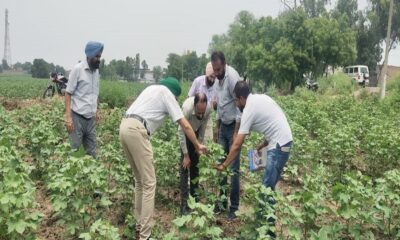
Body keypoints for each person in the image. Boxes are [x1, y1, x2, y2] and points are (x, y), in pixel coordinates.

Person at [119, 77, 207, 240]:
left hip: (124, 126)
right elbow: (185, 124)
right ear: (174, 95)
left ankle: (139, 229)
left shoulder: (151, 89)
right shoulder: (167, 94)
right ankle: (145, 235)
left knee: (140, 182)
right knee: (150, 183)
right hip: (137, 130)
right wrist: (197, 145)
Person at [216, 81, 293, 237]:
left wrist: (224, 165)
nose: (236, 104)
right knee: (267, 187)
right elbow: (274, 120)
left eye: (236, 101)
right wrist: (264, 144)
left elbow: (237, 145)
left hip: (279, 146)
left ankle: (267, 233)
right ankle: (263, 227)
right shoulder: (260, 98)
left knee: (266, 190)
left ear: (241, 98)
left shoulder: (249, 109)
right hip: (282, 142)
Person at [211, 51, 242, 220]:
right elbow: (220, 103)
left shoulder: (232, 77)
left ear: (224, 64)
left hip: (234, 128)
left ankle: (234, 208)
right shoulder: (218, 79)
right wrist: (217, 128)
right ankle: (221, 203)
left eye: (218, 69)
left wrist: (237, 132)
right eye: (214, 70)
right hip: (223, 126)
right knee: (220, 165)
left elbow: (239, 105)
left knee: (233, 169)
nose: (216, 73)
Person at [65, 41, 103, 158]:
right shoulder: (78, 69)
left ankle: (89, 176)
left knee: (91, 152)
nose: (98, 59)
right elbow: (68, 93)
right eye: (96, 56)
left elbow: (94, 93)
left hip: (90, 119)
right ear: (89, 55)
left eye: (99, 56)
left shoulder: (96, 72)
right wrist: (68, 118)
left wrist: (96, 110)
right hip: (77, 118)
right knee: (75, 151)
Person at [178, 93, 211, 215]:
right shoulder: (186, 109)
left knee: (195, 169)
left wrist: (199, 146)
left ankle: (195, 200)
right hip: (185, 133)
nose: (201, 115)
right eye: (199, 112)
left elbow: (202, 128)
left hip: (195, 134)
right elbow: (181, 132)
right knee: (185, 168)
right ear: (194, 105)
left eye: (203, 113)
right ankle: (184, 205)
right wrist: (186, 155)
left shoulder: (207, 109)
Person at [188, 62, 217, 142]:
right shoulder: (198, 81)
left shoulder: (216, 85)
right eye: (211, 76)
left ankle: (203, 153)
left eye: (214, 77)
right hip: (195, 115)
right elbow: (189, 98)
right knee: (192, 138)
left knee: (207, 140)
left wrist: (215, 105)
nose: (212, 79)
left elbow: (215, 106)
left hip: (207, 116)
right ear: (206, 74)